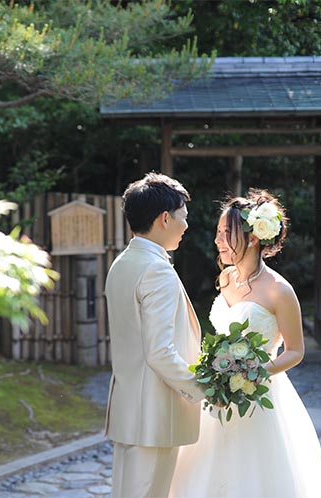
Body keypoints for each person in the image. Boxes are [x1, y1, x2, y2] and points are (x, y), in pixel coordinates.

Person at [170, 189, 321, 498]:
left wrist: (254, 373)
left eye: (225, 233)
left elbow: (296, 351)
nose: (218, 240)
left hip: (260, 396)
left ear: (253, 237)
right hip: (217, 397)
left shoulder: (279, 291)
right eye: (218, 233)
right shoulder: (225, 278)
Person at [105, 172, 205, 498]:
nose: (186, 226)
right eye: (183, 217)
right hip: (154, 416)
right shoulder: (156, 270)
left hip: (129, 411)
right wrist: (202, 387)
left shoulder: (122, 263)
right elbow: (159, 352)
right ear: (165, 218)